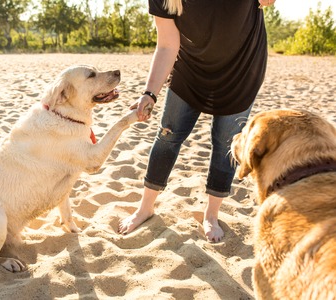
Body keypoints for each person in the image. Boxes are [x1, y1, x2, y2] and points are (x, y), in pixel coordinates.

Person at [118, 0, 276, 242]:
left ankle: (211, 216)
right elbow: (168, 45)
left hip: (241, 72)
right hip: (190, 70)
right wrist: (150, 93)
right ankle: (145, 207)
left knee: (225, 145)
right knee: (167, 135)